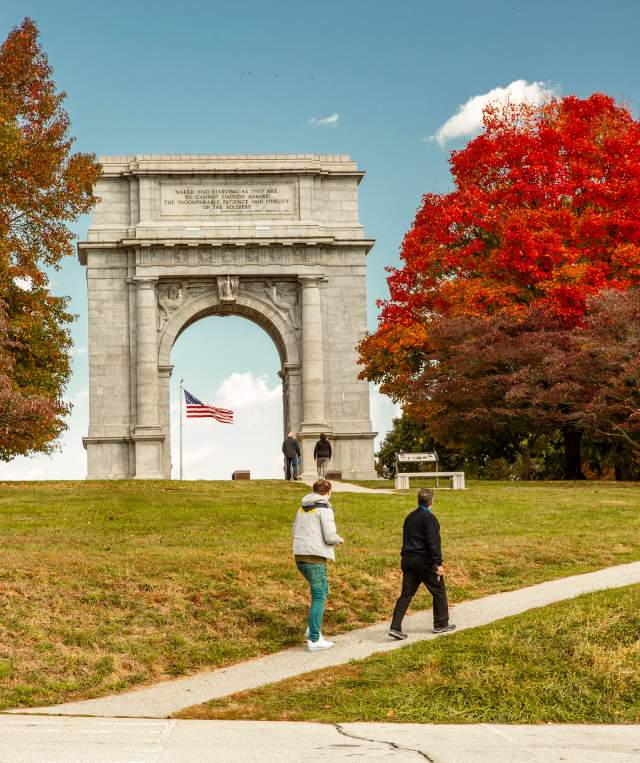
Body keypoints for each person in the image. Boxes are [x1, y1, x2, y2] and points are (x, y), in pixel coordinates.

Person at [389, 487, 456, 640]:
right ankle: (441, 624)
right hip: (423, 561)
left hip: (408, 560)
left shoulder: (410, 517)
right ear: (432, 501)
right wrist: (438, 564)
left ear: (419, 500)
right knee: (439, 590)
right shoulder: (430, 519)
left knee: (406, 594)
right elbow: (433, 543)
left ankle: (395, 626)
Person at [292, 478, 344, 651]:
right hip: (315, 558)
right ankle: (314, 640)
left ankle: (311, 628)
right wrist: (339, 540)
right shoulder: (325, 508)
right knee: (319, 596)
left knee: (323, 589)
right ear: (329, 492)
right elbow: (330, 536)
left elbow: (294, 530)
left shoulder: (302, 508)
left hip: (300, 556)